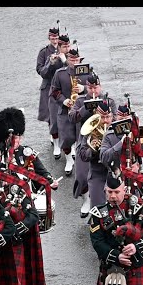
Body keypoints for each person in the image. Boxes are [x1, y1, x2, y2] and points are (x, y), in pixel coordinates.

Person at [69, 71, 115, 217]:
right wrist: (86, 108)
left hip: (106, 139)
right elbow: (72, 117)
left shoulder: (108, 101)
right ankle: (85, 200)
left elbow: (115, 118)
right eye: (90, 88)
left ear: (100, 87)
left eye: (96, 88)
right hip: (86, 140)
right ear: (86, 88)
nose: (93, 91)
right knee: (82, 176)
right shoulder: (81, 101)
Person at [0, 107, 59, 192]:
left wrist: (50, 181)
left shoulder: (26, 152)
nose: (15, 141)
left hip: (27, 193)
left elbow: (41, 171)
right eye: (11, 139)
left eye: (17, 137)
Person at [49, 44, 90, 175]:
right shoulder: (60, 73)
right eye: (71, 59)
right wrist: (63, 100)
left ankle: (82, 163)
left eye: (76, 59)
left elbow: (97, 89)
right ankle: (68, 160)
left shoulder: (87, 72)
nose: (74, 62)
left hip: (82, 111)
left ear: (80, 59)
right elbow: (54, 91)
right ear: (67, 59)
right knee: (66, 138)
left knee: (83, 138)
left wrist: (84, 88)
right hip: (65, 110)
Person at [78, 101, 114, 208]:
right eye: (102, 117)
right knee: (98, 208)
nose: (106, 121)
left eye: (108, 117)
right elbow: (83, 155)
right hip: (97, 174)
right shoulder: (90, 131)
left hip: (115, 172)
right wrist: (92, 150)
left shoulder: (116, 130)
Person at [43, 32, 70, 157]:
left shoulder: (73, 56)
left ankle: (72, 146)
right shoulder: (50, 55)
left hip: (70, 93)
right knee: (54, 121)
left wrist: (66, 61)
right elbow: (43, 73)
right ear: (59, 47)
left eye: (68, 46)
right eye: (64, 47)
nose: (67, 49)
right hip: (55, 93)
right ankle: (56, 145)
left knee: (71, 122)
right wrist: (50, 64)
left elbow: (77, 73)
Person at [36, 23, 60, 125]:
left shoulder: (63, 50)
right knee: (50, 115)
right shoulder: (43, 52)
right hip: (48, 85)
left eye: (56, 37)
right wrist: (49, 63)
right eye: (52, 37)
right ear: (49, 37)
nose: (54, 39)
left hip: (61, 84)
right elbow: (41, 71)